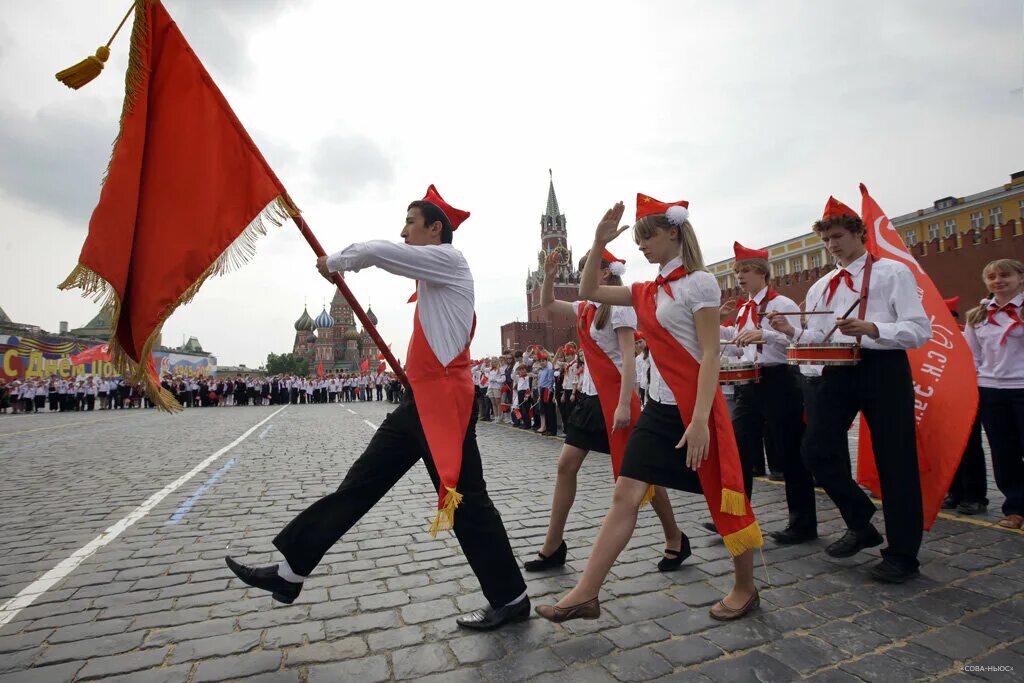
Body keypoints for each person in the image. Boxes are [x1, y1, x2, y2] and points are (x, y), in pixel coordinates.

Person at [225, 185, 528, 630]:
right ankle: (291, 572)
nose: (403, 230)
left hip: (442, 405)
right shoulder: (433, 275)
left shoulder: (450, 261)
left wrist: (337, 262)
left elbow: (380, 252)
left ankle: (511, 598)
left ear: (435, 229)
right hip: (418, 404)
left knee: (468, 502)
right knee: (359, 485)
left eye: (410, 221)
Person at [537, 196, 762, 623]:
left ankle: (745, 587)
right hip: (658, 409)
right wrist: (599, 241)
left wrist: (698, 422)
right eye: (637, 239)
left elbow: (711, 355)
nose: (641, 246)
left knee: (726, 499)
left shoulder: (700, 284)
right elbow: (586, 292)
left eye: (648, 237)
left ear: (673, 232)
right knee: (625, 494)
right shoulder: (645, 291)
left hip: (695, 411)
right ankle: (586, 593)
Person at [769, 196, 931, 583]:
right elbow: (816, 335)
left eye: (839, 236)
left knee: (896, 461)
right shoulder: (823, 285)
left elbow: (919, 329)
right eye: (827, 241)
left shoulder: (892, 272)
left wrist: (875, 329)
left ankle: (903, 555)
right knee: (815, 449)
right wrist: (791, 332)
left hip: (882, 367)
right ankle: (861, 521)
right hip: (836, 369)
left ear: (859, 233)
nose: (833, 246)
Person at [525, 248, 688, 574]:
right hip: (589, 400)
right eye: (581, 268)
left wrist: (625, 404)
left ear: (604, 273)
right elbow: (547, 304)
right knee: (565, 466)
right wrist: (551, 276)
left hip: (616, 401)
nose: (583, 273)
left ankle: (674, 536)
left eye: (588, 268)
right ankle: (553, 545)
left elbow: (629, 357)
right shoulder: (585, 306)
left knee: (642, 475)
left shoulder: (619, 308)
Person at [720, 241, 816, 543]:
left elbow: (797, 342)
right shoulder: (744, 309)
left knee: (788, 451)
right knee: (739, 449)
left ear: (761, 272)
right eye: (737, 272)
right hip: (749, 382)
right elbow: (739, 344)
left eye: (745, 271)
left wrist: (767, 334)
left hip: (779, 380)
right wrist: (715, 327)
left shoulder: (781, 303)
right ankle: (736, 516)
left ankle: (803, 522)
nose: (740, 277)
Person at [963, 258, 1024, 529]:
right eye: (992, 277)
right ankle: (1015, 508)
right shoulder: (977, 315)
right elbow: (972, 356)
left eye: (1005, 275)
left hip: (1021, 386)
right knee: (1003, 451)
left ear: (1020, 278)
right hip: (991, 390)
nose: (998, 281)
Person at [940, 296, 989, 516]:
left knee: (970, 449)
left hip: (966, 397)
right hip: (940, 401)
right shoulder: (928, 339)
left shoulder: (963, 335)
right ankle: (954, 492)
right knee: (945, 449)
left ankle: (975, 496)